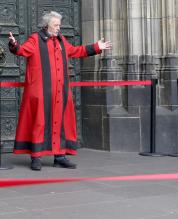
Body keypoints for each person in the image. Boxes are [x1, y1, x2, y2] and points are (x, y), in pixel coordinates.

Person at [8, 11, 112, 171]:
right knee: (40, 123)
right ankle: (36, 157)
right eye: (56, 25)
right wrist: (14, 45)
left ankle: (60, 156)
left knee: (61, 122)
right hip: (41, 92)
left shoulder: (61, 40)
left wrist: (97, 47)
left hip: (60, 91)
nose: (58, 28)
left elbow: (76, 51)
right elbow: (22, 50)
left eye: (59, 25)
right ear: (46, 25)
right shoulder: (35, 39)